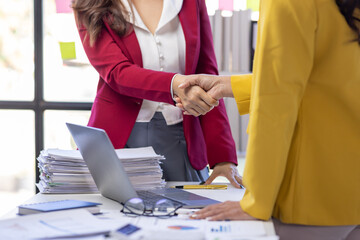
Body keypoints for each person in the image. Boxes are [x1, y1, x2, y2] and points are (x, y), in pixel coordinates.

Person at [176, 0, 360, 239]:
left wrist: (256, 202)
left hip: (311, 197)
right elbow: (331, 80)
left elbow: (276, 105)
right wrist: (229, 84)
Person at [71, 0, 243, 187]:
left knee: (191, 212)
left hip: (183, 138)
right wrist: (174, 84)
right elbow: (116, 72)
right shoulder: (88, 4)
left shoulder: (191, 3)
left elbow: (208, 74)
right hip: (117, 140)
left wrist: (223, 157)